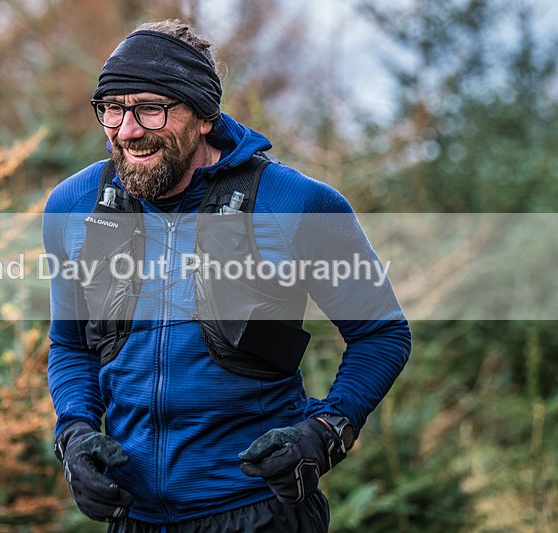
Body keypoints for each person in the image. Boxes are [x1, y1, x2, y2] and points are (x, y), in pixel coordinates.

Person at [42, 19, 411, 532]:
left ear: (203, 117)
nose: (127, 130)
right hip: (134, 517)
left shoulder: (296, 205)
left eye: (151, 107)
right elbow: (70, 345)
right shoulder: (74, 207)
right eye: (112, 108)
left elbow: (382, 332)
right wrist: (75, 435)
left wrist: (327, 429)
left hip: (259, 511)